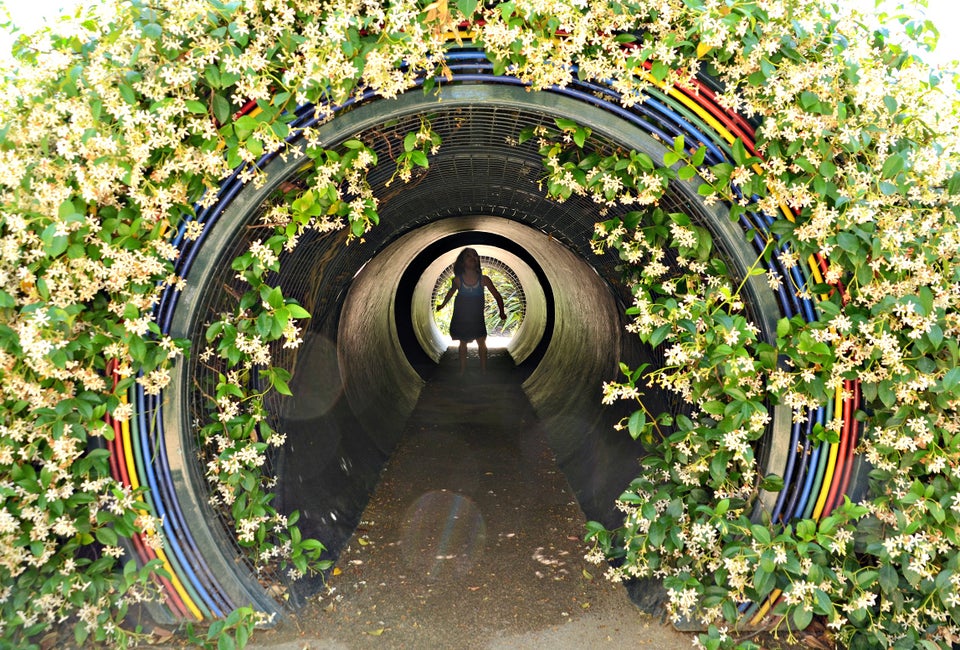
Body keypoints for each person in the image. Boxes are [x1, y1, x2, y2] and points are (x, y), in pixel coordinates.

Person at [436, 248, 506, 374]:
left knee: (481, 342)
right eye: (468, 256)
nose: (472, 258)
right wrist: (442, 305)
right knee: (463, 343)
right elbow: (450, 293)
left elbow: (497, 296)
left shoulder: (484, 279)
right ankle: (462, 370)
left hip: (477, 318)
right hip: (462, 317)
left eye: (475, 255)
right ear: (462, 262)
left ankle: (484, 370)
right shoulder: (457, 280)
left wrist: (501, 312)